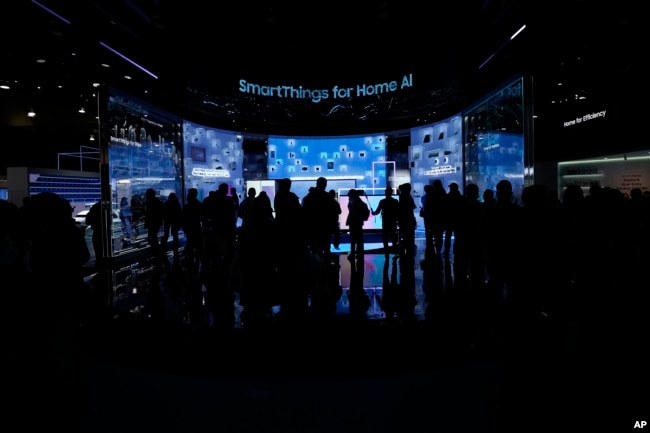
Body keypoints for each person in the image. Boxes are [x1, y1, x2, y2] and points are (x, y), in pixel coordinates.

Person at [372, 187, 400, 255]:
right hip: (393, 221)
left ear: (386, 193)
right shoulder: (395, 201)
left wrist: (373, 213)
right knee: (393, 236)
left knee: (385, 237)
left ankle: (386, 251)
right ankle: (395, 250)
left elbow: (377, 211)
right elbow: (398, 212)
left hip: (385, 221)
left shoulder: (382, 201)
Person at [142, 188, 166, 267]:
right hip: (156, 222)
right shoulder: (157, 201)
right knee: (153, 238)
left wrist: (143, 210)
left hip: (153, 223)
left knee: (152, 238)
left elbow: (149, 213)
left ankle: (158, 255)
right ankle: (158, 254)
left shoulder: (151, 202)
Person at [345, 189, 370, 261]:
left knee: (353, 239)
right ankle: (359, 254)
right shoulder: (361, 202)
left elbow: (351, 211)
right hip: (359, 222)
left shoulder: (352, 202)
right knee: (359, 239)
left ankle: (353, 254)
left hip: (353, 222)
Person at [162, 192, 183, 261]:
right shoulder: (176, 204)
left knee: (167, 234)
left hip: (168, 220)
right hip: (174, 221)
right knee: (174, 234)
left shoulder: (166, 203)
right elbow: (180, 213)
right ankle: (175, 248)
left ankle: (163, 247)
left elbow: (164, 212)